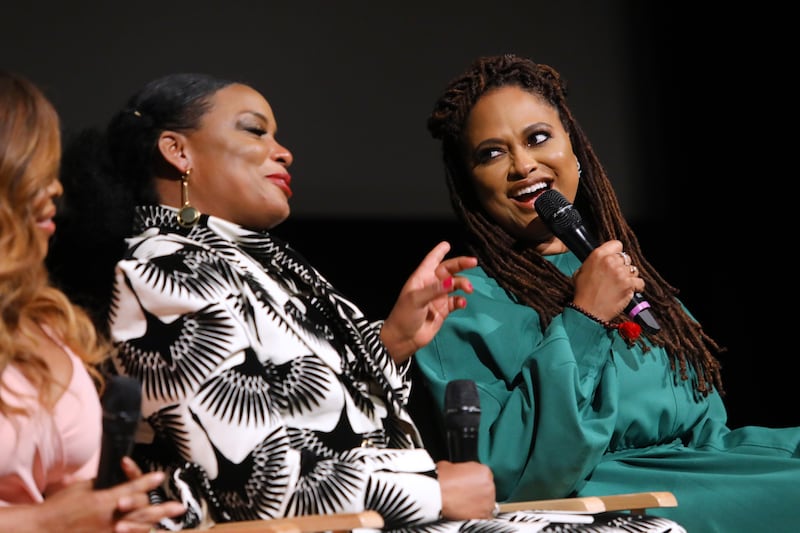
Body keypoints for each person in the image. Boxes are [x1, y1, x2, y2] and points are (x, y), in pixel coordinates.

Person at [44, 72, 686, 533]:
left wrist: (392, 342)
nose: (283, 149)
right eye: (255, 131)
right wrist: (432, 491)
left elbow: (318, 412)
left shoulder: (258, 263)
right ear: (177, 150)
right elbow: (259, 485)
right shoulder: (163, 271)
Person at [414, 53, 800, 532]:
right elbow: (501, 477)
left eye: (538, 138)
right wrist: (584, 318)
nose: (523, 164)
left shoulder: (624, 273)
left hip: (701, 478)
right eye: (491, 153)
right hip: (601, 503)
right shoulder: (460, 307)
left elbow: (705, 433)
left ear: (573, 148)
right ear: (470, 185)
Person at [0, 71, 186, 532]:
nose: (57, 186)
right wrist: (45, 522)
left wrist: (114, 513)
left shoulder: (43, 326)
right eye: (37, 164)